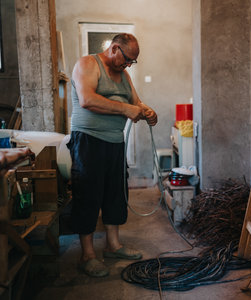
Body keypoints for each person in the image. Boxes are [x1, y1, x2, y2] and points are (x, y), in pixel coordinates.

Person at [68, 33, 157, 277]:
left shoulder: (124, 75)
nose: (128, 65)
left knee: (115, 194)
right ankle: (87, 255)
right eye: (127, 59)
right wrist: (125, 109)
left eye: (133, 62)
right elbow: (87, 100)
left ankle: (113, 245)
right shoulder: (87, 64)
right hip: (88, 141)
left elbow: (136, 103)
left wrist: (148, 112)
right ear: (115, 48)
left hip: (115, 142)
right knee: (88, 194)